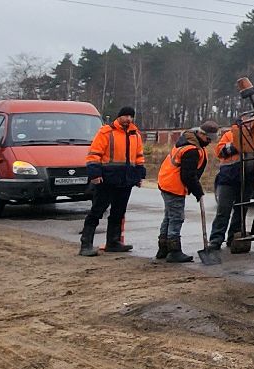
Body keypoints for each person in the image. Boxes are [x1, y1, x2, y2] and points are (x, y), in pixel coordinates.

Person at [79, 106, 145, 257]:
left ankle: (113, 242)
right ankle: (86, 243)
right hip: (107, 180)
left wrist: (139, 177)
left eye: (131, 116)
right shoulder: (106, 132)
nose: (128, 119)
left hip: (126, 181)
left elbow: (139, 158)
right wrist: (95, 175)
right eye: (126, 116)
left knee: (119, 212)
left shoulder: (136, 135)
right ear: (119, 116)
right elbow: (94, 154)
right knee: (97, 211)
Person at [156, 121, 214, 263]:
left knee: (169, 216)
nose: (210, 142)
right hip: (173, 185)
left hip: (166, 182)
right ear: (201, 134)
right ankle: (174, 251)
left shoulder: (188, 142)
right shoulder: (191, 150)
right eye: (209, 138)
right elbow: (187, 175)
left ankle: (163, 248)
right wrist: (197, 191)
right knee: (176, 218)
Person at [206, 122, 242, 252]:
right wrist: (237, 146)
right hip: (228, 178)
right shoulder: (229, 135)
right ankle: (216, 240)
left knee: (241, 211)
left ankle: (234, 238)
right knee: (223, 210)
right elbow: (220, 151)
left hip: (246, 178)